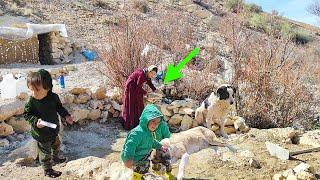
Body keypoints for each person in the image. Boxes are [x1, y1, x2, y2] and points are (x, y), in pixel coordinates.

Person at [24, 69, 73, 178]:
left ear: (48, 88)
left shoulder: (53, 97)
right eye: (31, 90)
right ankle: (47, 169)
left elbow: (59, 108)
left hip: (53, 129)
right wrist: (36, 121)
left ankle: (55, 158)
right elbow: (27, 114)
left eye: (37, 90)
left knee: (56, 145)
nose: (33, 93)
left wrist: (66, 116)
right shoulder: (31, 101)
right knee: (45, 151)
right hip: (41, 132)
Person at [121, 104, 173, 180]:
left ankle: (151, 173)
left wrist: (160, 146)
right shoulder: (137, 133)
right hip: (135, 158)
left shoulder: (148, 132)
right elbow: (130, 146)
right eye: (153, 121)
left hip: (144, 155)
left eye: (158, 122)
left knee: (149, 163)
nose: (155, 124)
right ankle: (136, 177)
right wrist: (128, 159)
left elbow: (152, 141)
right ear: (146, 119)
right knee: (141, 167)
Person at [121, 65, 158, 130]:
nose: (152, 75)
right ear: (149, 71)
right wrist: (145, 93)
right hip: (130, 88)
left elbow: (149, 82)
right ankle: (129, 124)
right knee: (131, 105)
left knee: (139, 103)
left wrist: (155, 90)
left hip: (135, 87)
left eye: (154, 74)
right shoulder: (141, 74)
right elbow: (138, 87)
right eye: (152, 73)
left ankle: (137, 122)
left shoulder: (147, 74)